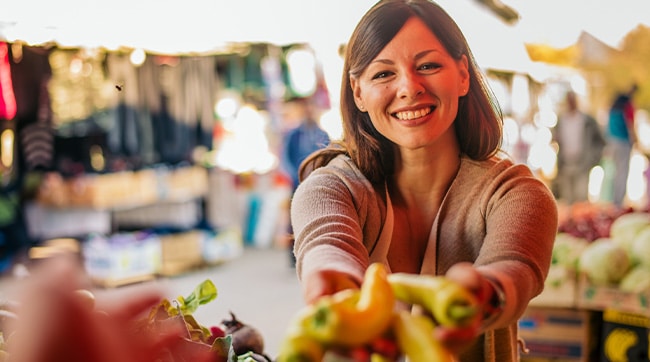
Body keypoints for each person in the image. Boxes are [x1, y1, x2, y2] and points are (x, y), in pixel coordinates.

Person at [289, 1, 558, 361]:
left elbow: (515, 268)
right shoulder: (329, 188)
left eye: (428, 65)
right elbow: (327, 243)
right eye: (384, 74)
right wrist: (333, 281)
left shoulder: (516, 193)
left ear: (463, 75)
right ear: (358, 92)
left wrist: (484, 292)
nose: (409, 88)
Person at [280, 96, 330, 267]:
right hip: (296, 182)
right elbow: (285, 158)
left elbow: (328, 156)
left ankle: (314, 251)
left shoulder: (322, 134)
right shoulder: (293, 134)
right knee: (294, 218)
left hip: (315, 181)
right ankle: (293, 254)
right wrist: (294, 175)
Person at [552, 90, 605, 205]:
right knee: (568, 198)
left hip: (582, 163)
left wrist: (594, 158)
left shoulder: (587, 120)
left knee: (581, 198)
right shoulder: (562, 120)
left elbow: (600, 140)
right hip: (566, 163)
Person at [606, 84, 638, 207]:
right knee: (622, 172)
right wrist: (636, 141)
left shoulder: (613, 108)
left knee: (614, 172)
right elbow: (630, 125)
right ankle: (617, 202)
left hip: (612, 142)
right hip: (623, 142)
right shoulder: (627, 106)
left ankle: (613, 200)